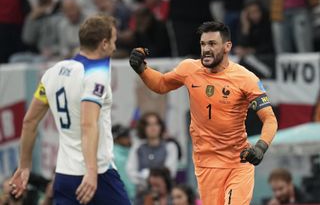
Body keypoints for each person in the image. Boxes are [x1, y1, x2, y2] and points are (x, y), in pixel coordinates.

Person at [129, 21, 278, 205]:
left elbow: (270, 119)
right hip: (206, 164)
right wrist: (142, 69)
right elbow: (161, 84)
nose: (206, 49)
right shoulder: (189, 69)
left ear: (227, 47)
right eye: (203, 44)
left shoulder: (246, 79)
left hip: (238, 161)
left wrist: (261, 147)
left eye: (212, 44)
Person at [9, 15, 131, 205]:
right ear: (104, 43)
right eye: (114, 41)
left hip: (64, 176)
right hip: (97, 175)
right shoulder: (96, 76)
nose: (115, 47)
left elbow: (29, 121)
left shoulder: (53, 72)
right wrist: (91, 171)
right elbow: (87, 124)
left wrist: (24, 166)